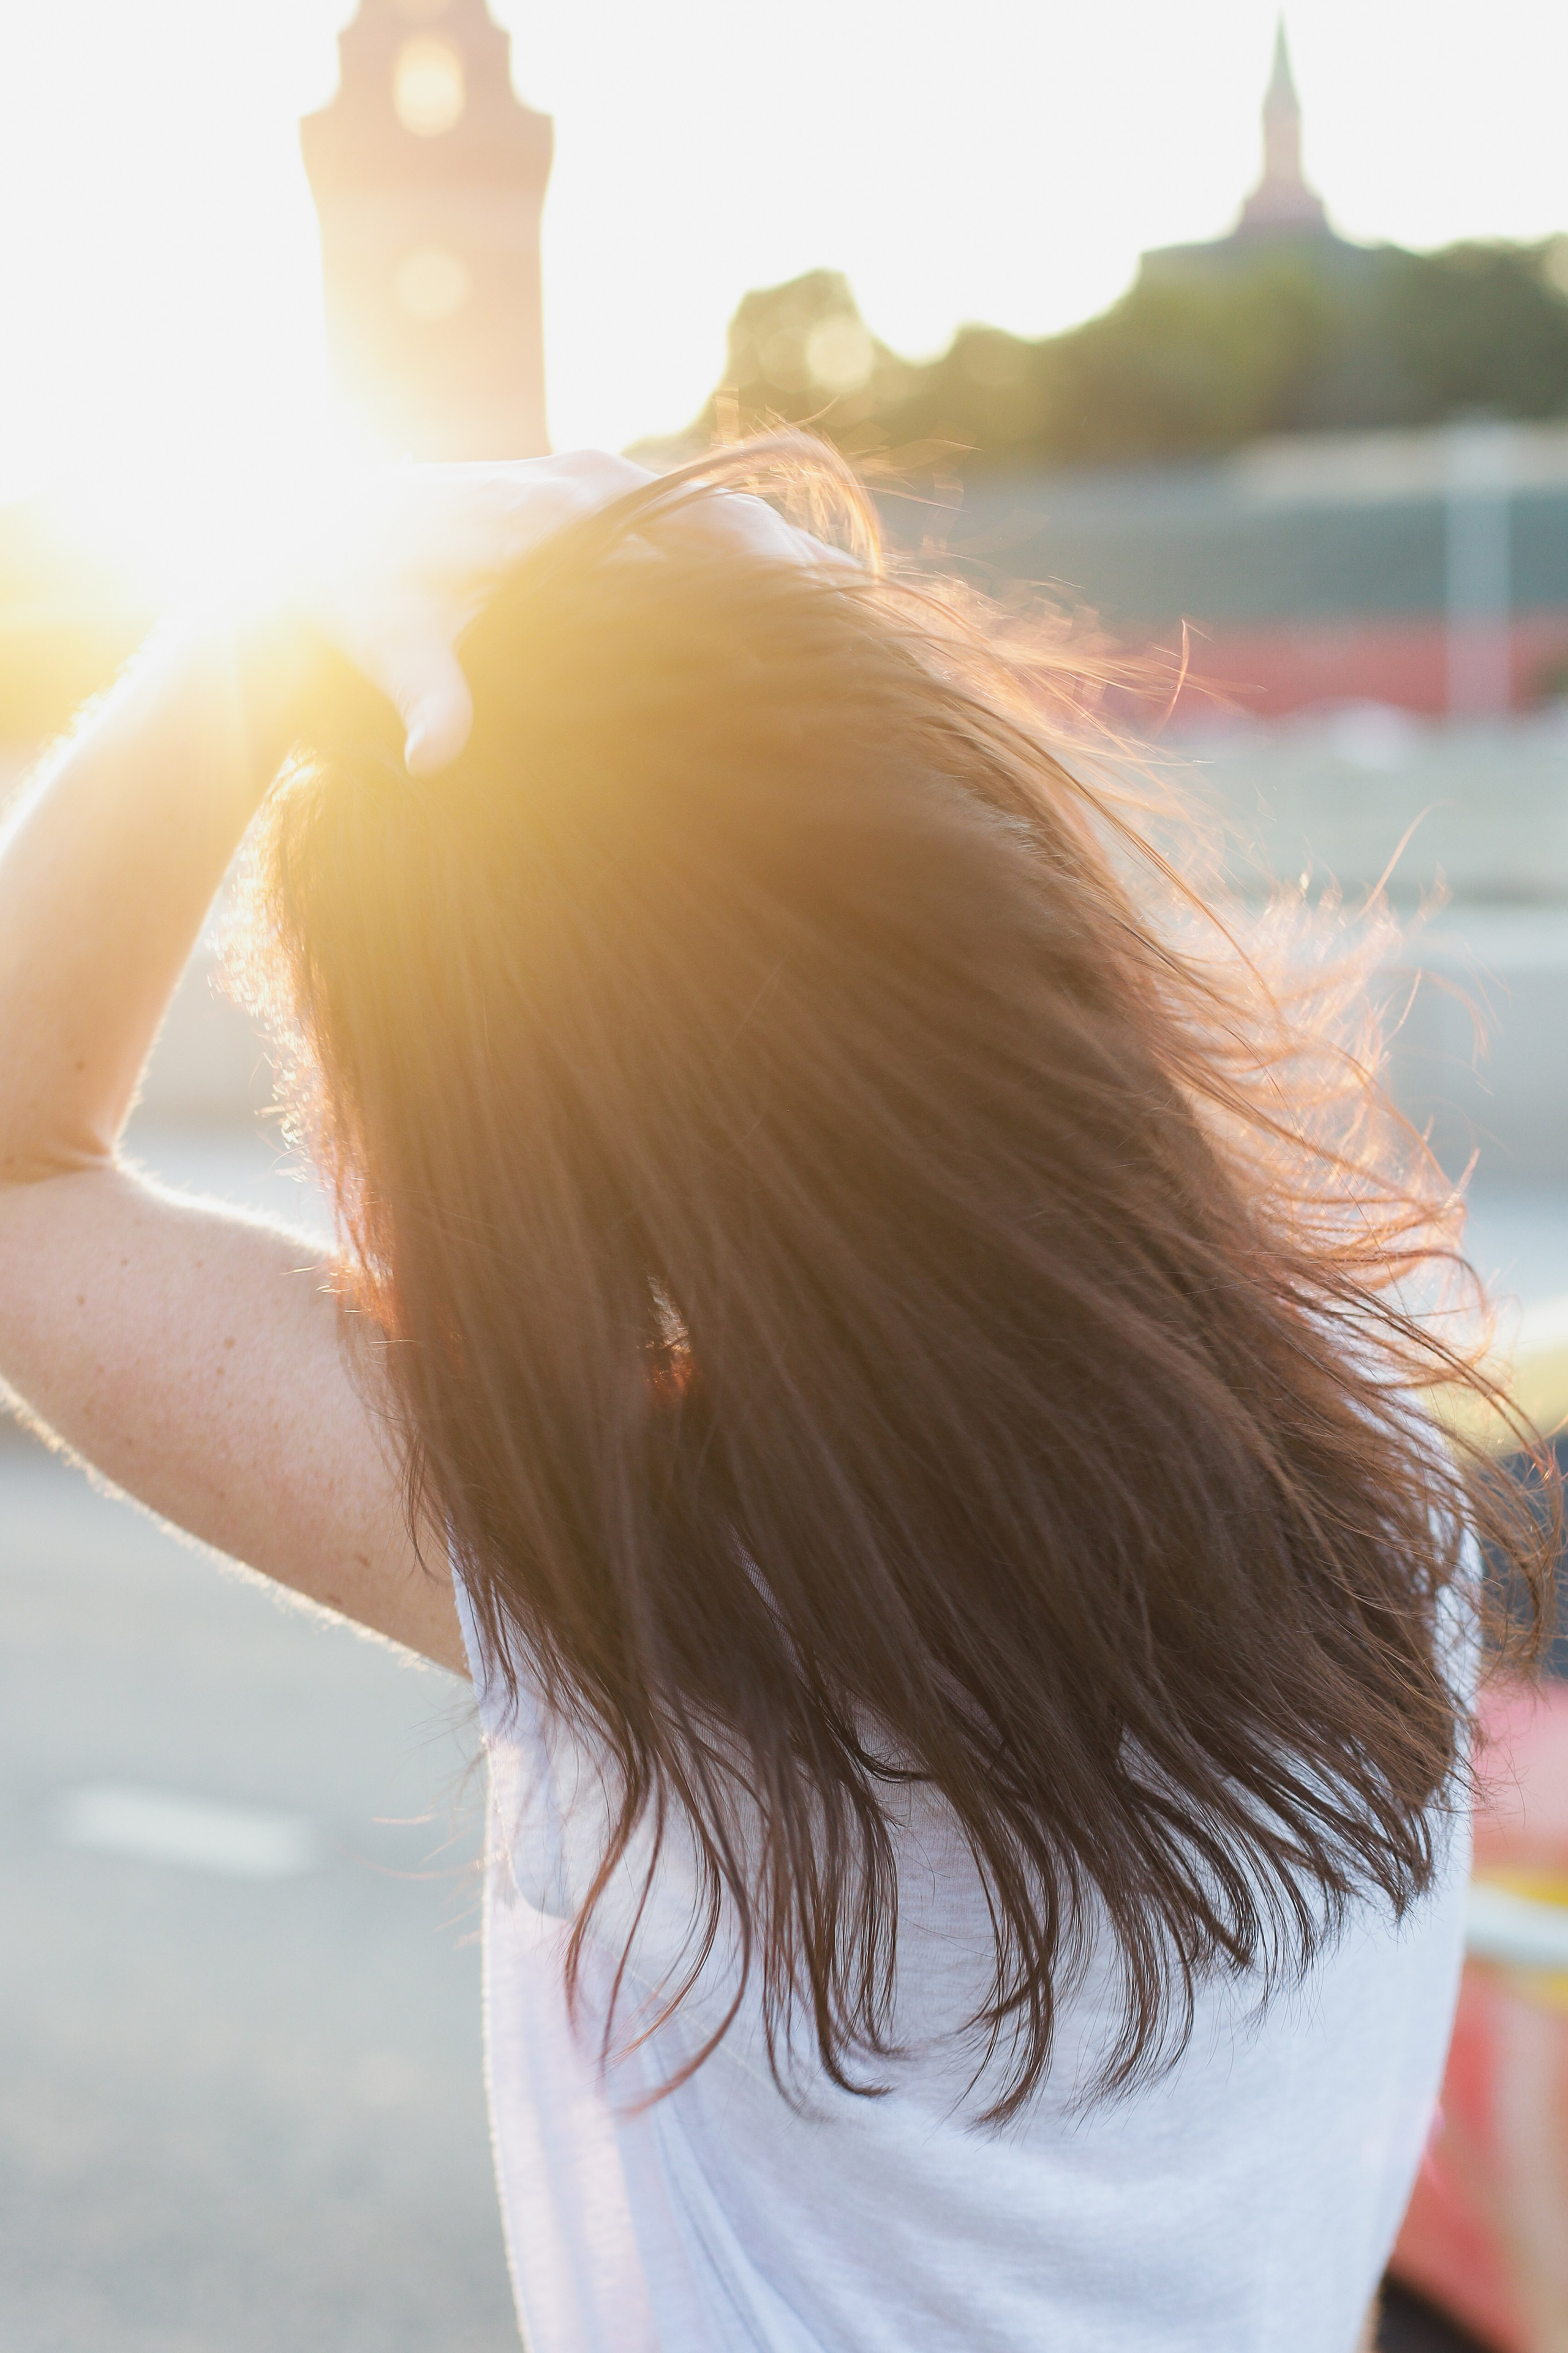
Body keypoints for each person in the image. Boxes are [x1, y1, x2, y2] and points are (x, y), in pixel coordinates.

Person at [0, 442, 1547, 2353]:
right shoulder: (1384, 1455)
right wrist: (797, 647)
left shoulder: (661, 1593)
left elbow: (18, 1173)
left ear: (530, 1148)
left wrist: (244, 629)